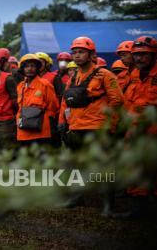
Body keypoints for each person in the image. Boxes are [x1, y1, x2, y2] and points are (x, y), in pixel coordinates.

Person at [59, 37, 124, 150]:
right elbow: (65, 102)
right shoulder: (73, 77)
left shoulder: (105, 74)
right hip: (75, 127)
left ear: (91, 54)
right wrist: (62, 121)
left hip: (97, 127)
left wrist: (110, 124)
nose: (77, 56)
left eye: (81, 52)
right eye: (74, 53)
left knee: (100, 166)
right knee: (78, 166)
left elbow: (117, 100)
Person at [119, 36, 157, 218]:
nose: (139, 58)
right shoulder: (134, 75)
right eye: (136, 55)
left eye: (144, 54)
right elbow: (128, 103)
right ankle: (138, 209)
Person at [16, 54, 59, 146]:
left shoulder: (45, 84)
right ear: (22, 69)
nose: (30, 69)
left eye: (32, 66)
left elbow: (53, 106)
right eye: (27, 66)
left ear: (37, 68)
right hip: (23, 132)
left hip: (41, 131)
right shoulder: (20, 86)